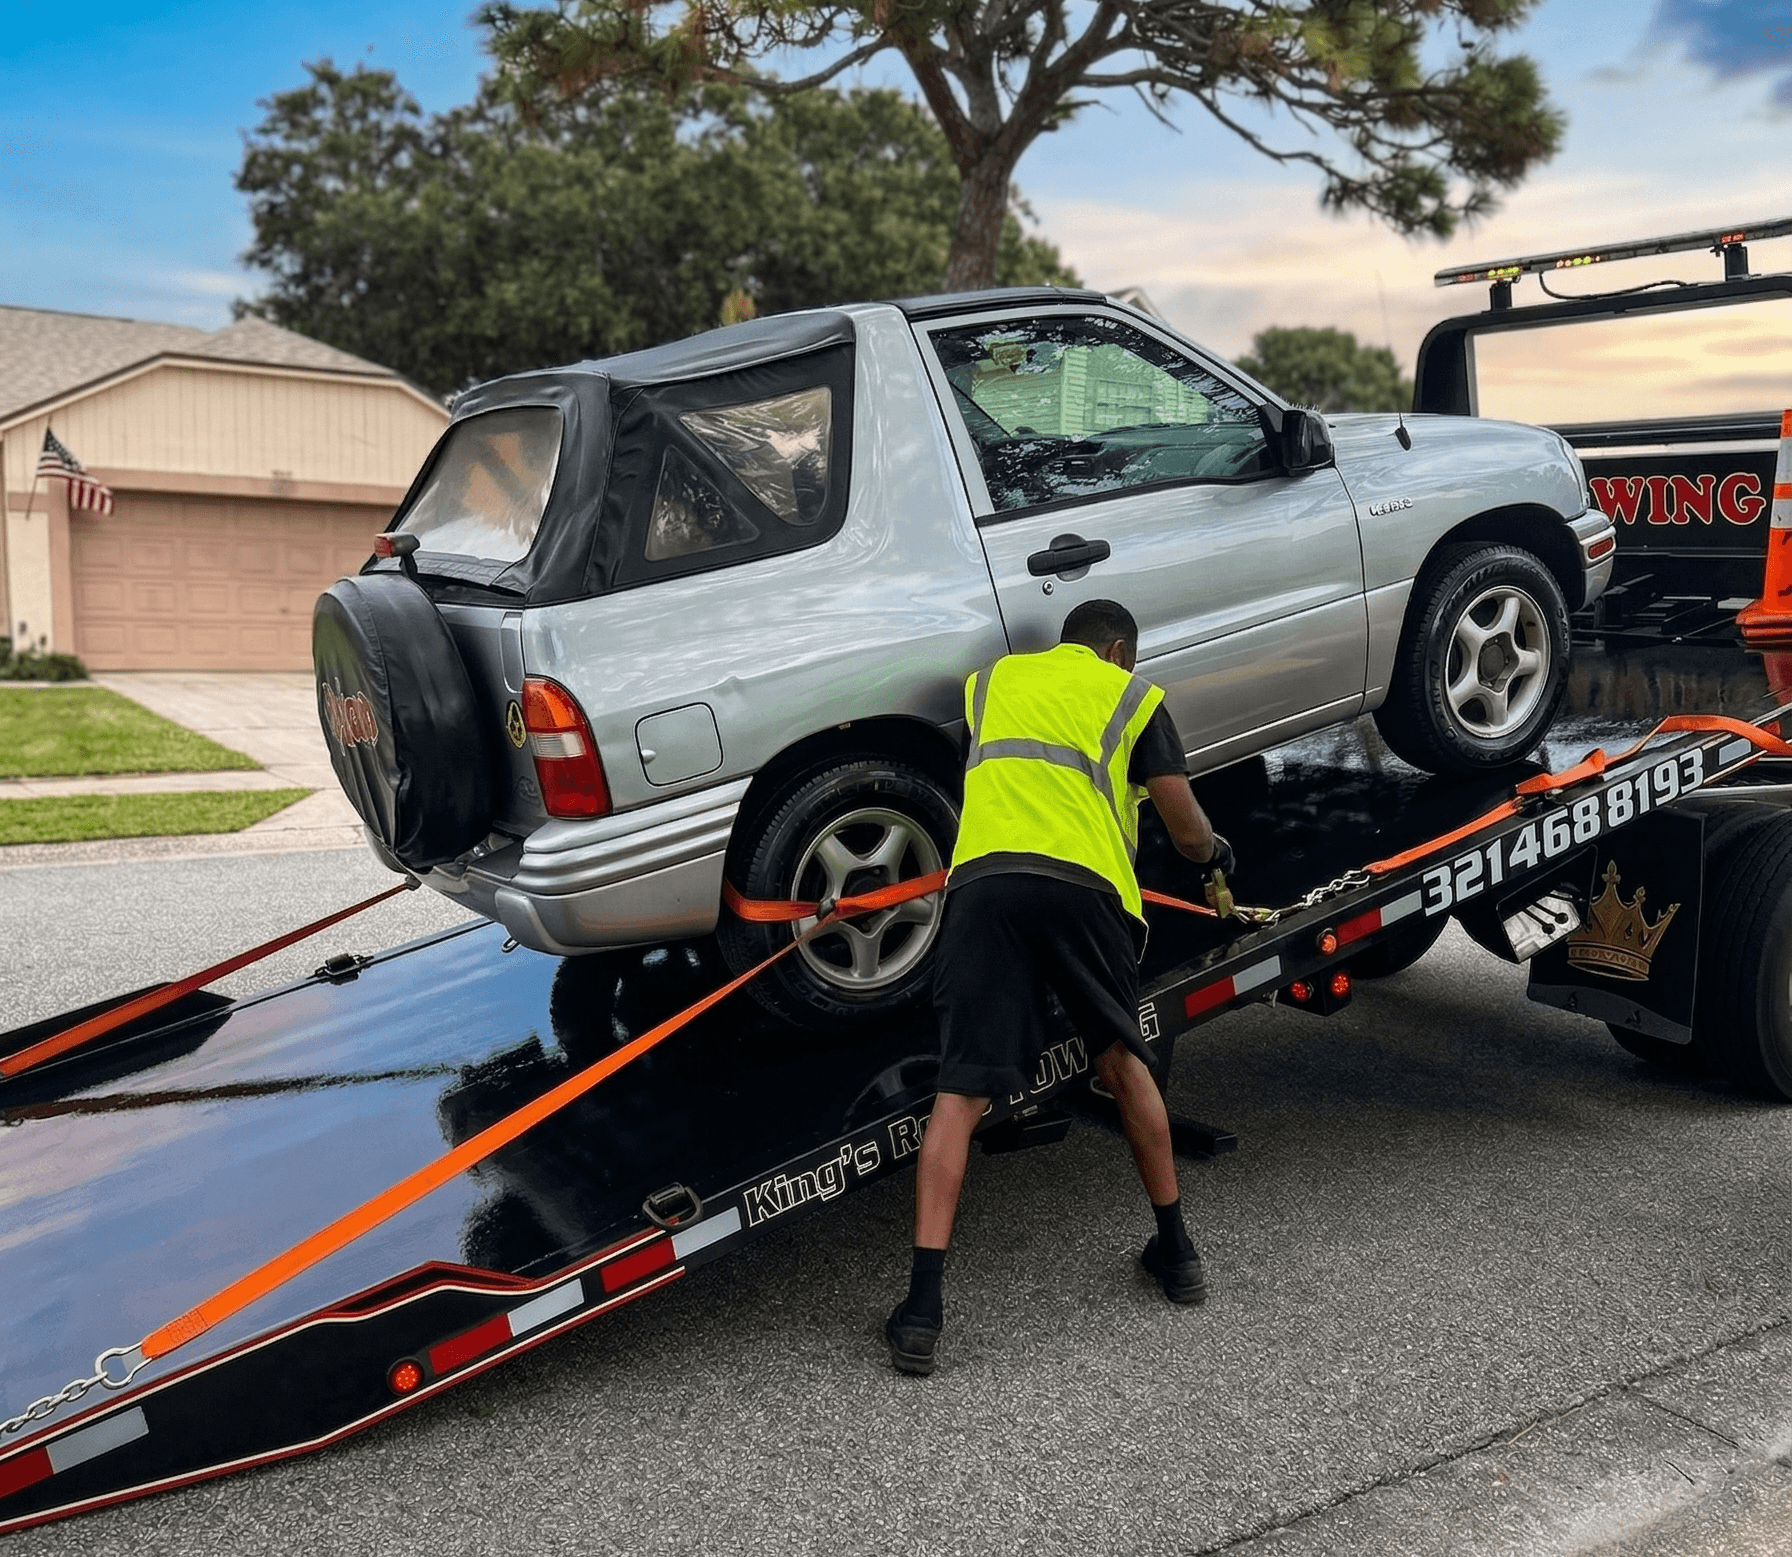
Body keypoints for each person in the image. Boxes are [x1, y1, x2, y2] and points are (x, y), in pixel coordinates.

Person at [887, 599, 1234, 1376]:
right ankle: (1177, 1254)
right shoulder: (1130, 696)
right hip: (1086, 889)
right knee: (1120, 1060)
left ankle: (921, 1311)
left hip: (983, 888)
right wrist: (1214, 853)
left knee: (962, 1088)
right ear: (1117, 650)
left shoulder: (993, 682)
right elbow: (1182, 824)